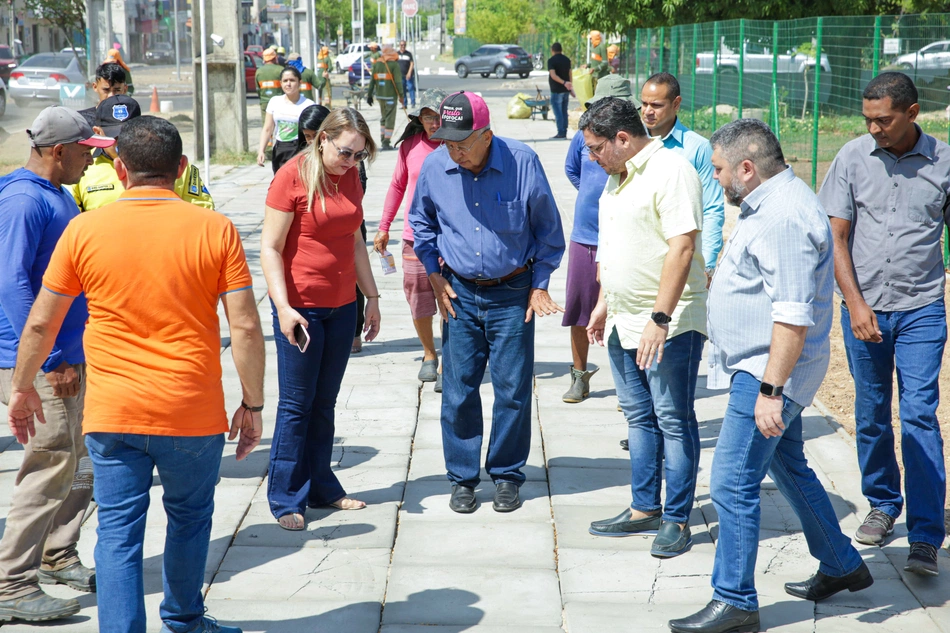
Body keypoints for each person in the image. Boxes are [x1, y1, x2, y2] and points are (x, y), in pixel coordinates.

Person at [5, 115, 265, 633]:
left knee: (119, 530)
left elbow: (40, 321)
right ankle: (185, 618)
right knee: (190, 521)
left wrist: (20, 388)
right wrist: (252, 404)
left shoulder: (84, 229)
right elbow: (247, 326)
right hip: (191, 411)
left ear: (119, 168)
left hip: (114, 410)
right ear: (183, 169)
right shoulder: (214, 229)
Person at [669, 119, 872, 633]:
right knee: (788, 465)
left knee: (732, 482)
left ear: (746, 168)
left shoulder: (782, 216)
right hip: (761, 367)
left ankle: (735, 600)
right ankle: (842, 563)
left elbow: (792, 314)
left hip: (767, 371)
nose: (715, 180)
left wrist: (770, 391)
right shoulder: (772, 203)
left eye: (718, 170)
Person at [818, 72, 949, 577]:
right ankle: (882, 503)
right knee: (871, 411)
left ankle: (924, 534)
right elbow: (838, 236)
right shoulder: (852, 158)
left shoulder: (944, 162)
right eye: (868, 119)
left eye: (884, 119)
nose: (874, 128)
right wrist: (854, 304)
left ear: (913, 113)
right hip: (865, 308)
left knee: (918, 413)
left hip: (921, 309)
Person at [409, 91, 565, 514]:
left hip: (513, 294)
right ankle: (462, 478)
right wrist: (434, 274)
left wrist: (540, 283)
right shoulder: (434, 167)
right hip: (459, 293)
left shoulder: (522, 162)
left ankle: (507, 475)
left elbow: (550, 233)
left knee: (513, 390)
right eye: (447, 141)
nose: (453, 150)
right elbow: (420, 223)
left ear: (487, 135)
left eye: (462, 142)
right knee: (458, 390)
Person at [581, 96, 707, 558]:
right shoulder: (616, 178)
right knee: (639, 417)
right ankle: (643, 509)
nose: (591, 158)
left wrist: (660, 318)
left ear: (622, 138)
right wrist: (602, 304)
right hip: (620, 319)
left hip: (665, 325)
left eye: (596, 148)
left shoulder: (671, 171)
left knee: (673, 419)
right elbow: (615, 247)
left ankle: (676, 518)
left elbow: (682, 249)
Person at [0, 107, 111, 623]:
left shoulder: (56, 194)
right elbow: (12, 285)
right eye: (87, 151)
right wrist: (49, 359)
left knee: (81, 465)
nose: (93, 161)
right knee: (48, 467)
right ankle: (12, 583)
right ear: (58, 151)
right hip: (44, 363)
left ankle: (57, 553)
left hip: (70, 354)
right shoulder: (23, 200)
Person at [260, 107, 381, 531]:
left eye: (359, 156)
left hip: (341, 306)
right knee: (296, 406)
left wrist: (371, 296)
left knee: (325, 405)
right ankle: (285, 497)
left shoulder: (348, 176)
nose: (351, 162)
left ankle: (321, 487)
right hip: (301, 309)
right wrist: (283, 308)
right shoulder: (291, 176)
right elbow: (270, 249)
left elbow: (354, 239)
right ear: (322, 139)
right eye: (346, 152)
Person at [561, 75, 638, 404]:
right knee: (579, 310)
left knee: (624, 312)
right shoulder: (584, 137)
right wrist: (598, 198)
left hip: (623, 240)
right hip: (585, 235)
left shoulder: (635, 142)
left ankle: (631, 388)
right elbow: (571, 170)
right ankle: (579, 375)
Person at [375, 89, 446, 388]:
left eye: (438, 116)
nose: (433, 122)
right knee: (418, 298)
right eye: (428, 116)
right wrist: (384, 226)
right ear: (420, 118)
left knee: (452, 299)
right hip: (415, 237)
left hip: (452, 238)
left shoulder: (458, 145)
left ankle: (453, 361)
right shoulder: (410, 146)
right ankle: (430, 354)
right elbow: (396, 185)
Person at [640, 72, 725, 279]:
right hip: (641, 259)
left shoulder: (697, 149)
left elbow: (712, 208)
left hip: (681, 261)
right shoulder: (632, 143)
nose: (648, 111)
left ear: (676, 103)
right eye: (644, 104)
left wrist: (708, 263)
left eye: (656, 105)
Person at [72, 95, 215, 212]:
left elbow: (202, 213)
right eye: (115, 137)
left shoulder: (169, 160)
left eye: (130, 136)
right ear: (98, 132)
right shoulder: (82, 165)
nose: (124, 143)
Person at [257, 66, 315, 173]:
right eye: (285, 81)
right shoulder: (274, 102)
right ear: (281, 83)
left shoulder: (308, 105)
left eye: (292, 80)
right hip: (280, 149)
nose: (288, 84)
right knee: (281, 183)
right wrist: (261, 151)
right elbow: (267, 129)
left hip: (300, 149)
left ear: (299, 82)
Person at [366, 45, 405, 150]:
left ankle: (383, 139)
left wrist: (369, 95)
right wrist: (401, 96)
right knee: (389, 119)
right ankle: (386, 142)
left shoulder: (378, 64)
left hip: (380, 96)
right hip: (390, 97)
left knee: (383, 118)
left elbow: (372, 81)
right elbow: (398, 82)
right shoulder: (393, 64)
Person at [547, 42, 572, 140]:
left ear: (552, 50)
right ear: (561, 50)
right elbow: (570, 73)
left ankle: (560, 132)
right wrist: (570, 85)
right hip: (565, 90)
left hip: (556, 90)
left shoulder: (551, 61)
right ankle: (564, 131)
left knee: (558, 112)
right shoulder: (567, 60)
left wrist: (564, 82)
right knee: (564, 111)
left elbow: (553, 75)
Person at [256, 47, 285, 121]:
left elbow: (258, 89)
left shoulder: (259, 71)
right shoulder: (280, 69)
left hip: (264, 102)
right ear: (275, 58)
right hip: (279, 102)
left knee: (266, 125)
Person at [397, 40, 416, 108]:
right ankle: (404, 104)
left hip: (408, 75)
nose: (403, 46)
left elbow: (412, 63)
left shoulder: (408, 54)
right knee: (402, 90)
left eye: (404, 45)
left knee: (411, 88)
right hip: (400, 75)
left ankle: (413, 103)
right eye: (401, 45)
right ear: (399, 45)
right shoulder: (397, 54)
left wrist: (409, 73)